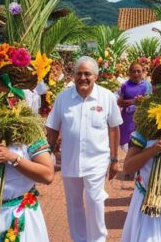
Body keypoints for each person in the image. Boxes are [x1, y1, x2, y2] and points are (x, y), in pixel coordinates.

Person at [45, 56, 123, 242]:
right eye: (79, 74)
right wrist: (47, 153)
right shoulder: (63, 98)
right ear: (73, 76)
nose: (83, 78)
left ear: (95, 76)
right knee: (74, 204)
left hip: (97, 161)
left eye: (87, 74)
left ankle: (97, 239)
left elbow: (114, 128)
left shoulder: (107, 97)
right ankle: (79, 239)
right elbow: (52, 128)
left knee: (94, 201)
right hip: (70, 161)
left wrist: (114, 160)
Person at [118, 62, 152, 150]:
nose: (136, 74)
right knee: (125, 147)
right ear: (129, 73)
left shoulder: (147, 85)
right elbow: (120, 102)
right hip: (127, 121)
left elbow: (149, 102)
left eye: (138, 71)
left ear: (143, 72)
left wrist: (139, 102)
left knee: (141, 146)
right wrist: (135, 101)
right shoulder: (125, 86)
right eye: (133, 71)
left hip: (141, 120)